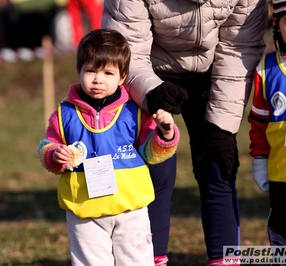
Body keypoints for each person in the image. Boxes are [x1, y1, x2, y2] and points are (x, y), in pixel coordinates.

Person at [101, 0, 268, 265]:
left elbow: (239, 47)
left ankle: (225, 259)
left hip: (215, 74)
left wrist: (221, 123)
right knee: (155, 172)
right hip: (148, 74)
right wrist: (153, 94)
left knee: (218, 165)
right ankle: (149, 259)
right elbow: (127, 51)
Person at [37, 28, 180, 266]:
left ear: (123, 77)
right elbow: (47, 147)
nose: (97, 79)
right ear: (79, 70)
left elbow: (152, 154)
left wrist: (165, 134)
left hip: (131, 210)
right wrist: (53, 154)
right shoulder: (63, 115)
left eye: (108, 73)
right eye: (90, 70)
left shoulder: (135, 113)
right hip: (84, 211)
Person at [249, 0, 286, 264]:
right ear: (277, 25)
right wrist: (259, 160)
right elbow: (258, 121)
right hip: (284, 175)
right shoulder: (267, 68)